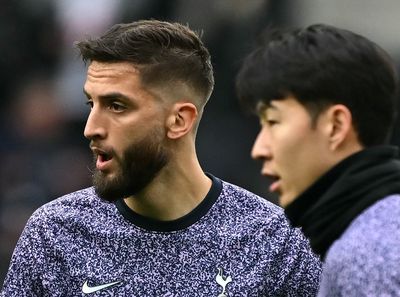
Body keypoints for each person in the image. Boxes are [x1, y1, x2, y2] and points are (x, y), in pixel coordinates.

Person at [1, 20, 321, 296]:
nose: (91, 128)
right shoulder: (54, 233)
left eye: (116, 106)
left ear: (179, 120)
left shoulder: (275, 242)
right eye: (91, 105)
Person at [236, 24, 400, 296]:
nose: (259, 148)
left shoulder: (368, 255)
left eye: (273, 121)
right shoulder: (391, 229)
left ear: (336, 126)